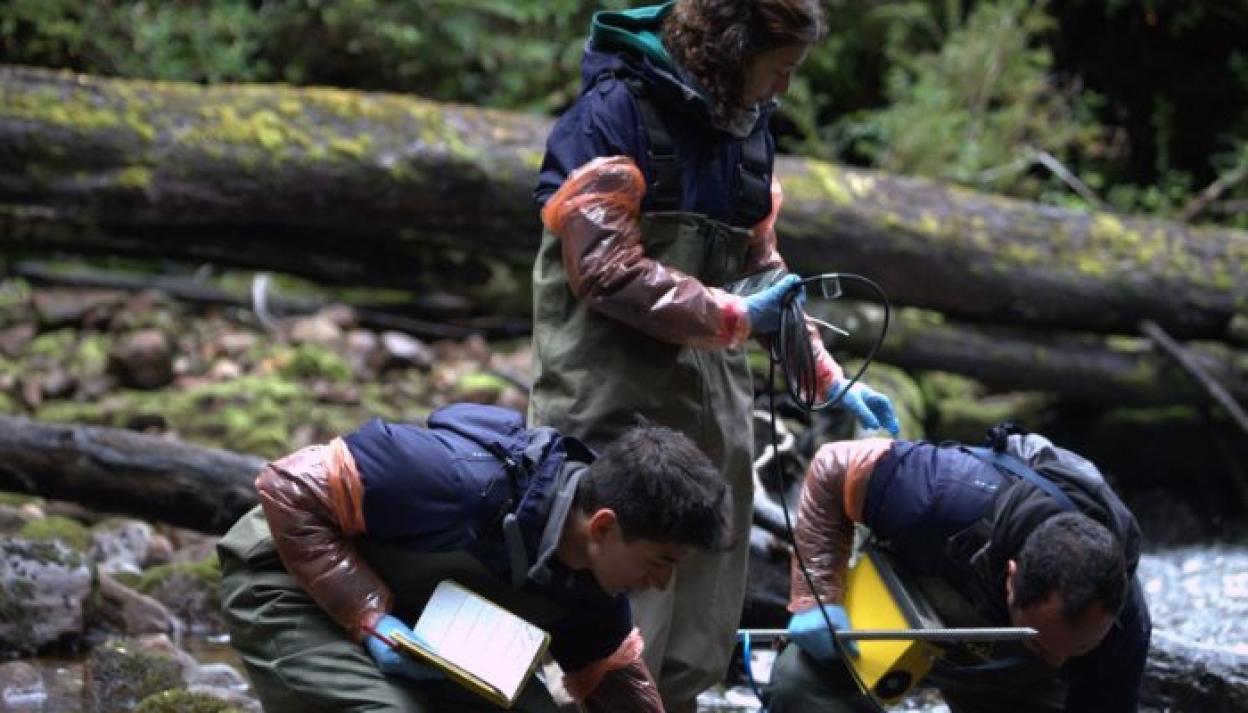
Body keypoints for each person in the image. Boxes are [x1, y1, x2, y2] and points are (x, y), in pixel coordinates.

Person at [529, 2, 899, 709]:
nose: (783, 89)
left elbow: (762, 271)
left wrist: (821, 375)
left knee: (699, 608)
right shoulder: (611, 116)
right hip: (608, 408)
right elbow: (604, 270)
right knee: (605, 612)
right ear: (734, 49)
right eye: (780, 69)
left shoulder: (746, 135)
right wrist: (730, 314)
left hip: (712, 417)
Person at [216, 402, 732, 713]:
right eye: (660, 561)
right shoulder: (453, 478)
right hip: (287, 581)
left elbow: (615, 684)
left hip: (424, 627)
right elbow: (286, 485)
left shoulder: (593, 588)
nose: (661, 584)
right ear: (603, 527)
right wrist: (370, 617)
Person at [763, 431, 1152, 713]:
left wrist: (1060, 651)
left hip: (1005, 684)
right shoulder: (939, 495)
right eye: (1042, 644)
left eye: (1079, 649)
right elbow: (833, 466)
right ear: (1012, 578)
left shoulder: (1125, 625)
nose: (1058, 663)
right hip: (903, 605)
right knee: (799, 690)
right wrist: (815, 595)